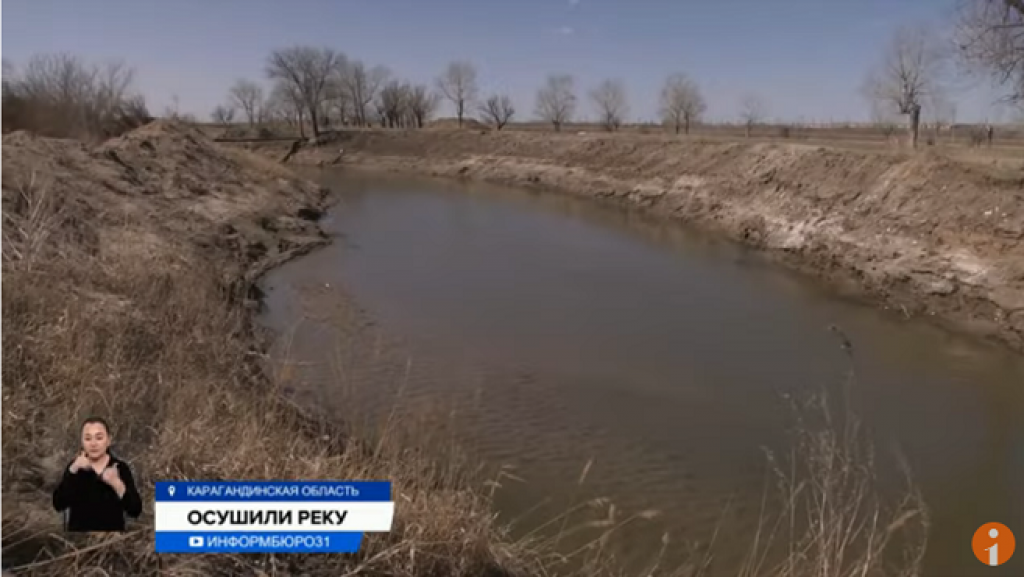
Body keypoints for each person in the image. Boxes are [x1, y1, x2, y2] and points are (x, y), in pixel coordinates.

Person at [52, 417, 142, 531]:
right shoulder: (75, 468)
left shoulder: (119, 468)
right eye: (88, 438)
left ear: (108, 440)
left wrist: (117, 484)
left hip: (111, 541)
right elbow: (58, 504)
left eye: (99, 438)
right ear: (82, 442)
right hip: (79, 542)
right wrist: (73, 470)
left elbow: (135, 510)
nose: (93, 444)